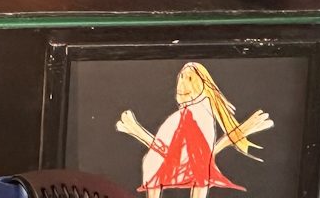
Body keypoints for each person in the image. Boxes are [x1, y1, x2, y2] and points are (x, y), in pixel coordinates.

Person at [116, 62, 275, 195]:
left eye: (190, 78)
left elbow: (196, 155)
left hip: (178, 167)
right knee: (200, 174)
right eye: (181, 78)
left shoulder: (197, 113)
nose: (182, 84)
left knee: (201, 174)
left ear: (204, 85)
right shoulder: (190, 114)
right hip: (170, 167)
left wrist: (136, 130)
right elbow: (177, 154)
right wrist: (240, 132)